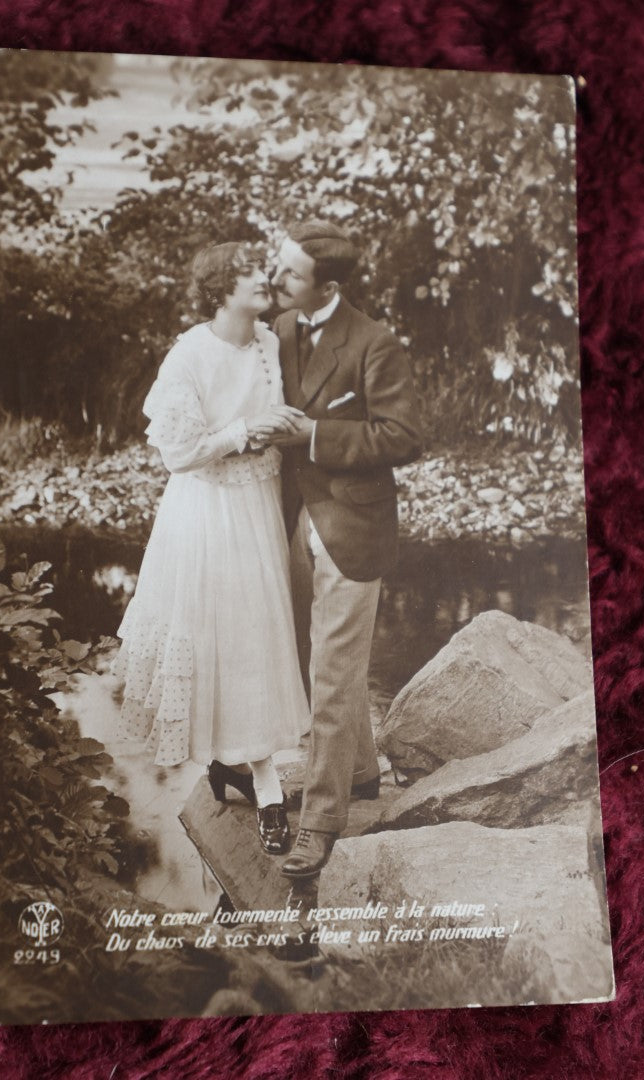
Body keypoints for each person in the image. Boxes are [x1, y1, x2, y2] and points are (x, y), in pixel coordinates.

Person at [113, 242, 311, 855]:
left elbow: (277, 417)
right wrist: (246, 432)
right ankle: (266, 787)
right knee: (219, 639)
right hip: (206, 513)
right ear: (220, 289)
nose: (265, 279)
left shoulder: (271, 342)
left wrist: (278, 430)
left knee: (259, 640)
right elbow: (179, 453)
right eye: (251, 272)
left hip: (259, 505)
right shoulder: (190, 352)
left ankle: (244, 768)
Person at [265, 221, 420, 877]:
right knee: (316, 660)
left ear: (325, 286)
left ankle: (321, 822)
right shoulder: (280, 330)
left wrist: (316, 433)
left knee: (330, 676)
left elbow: (406, 435)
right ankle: (358, 775)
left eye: (289, 273)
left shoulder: (374, 342)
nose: (275, 279)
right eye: (277, 267)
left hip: (353, 529)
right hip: (295, 518)